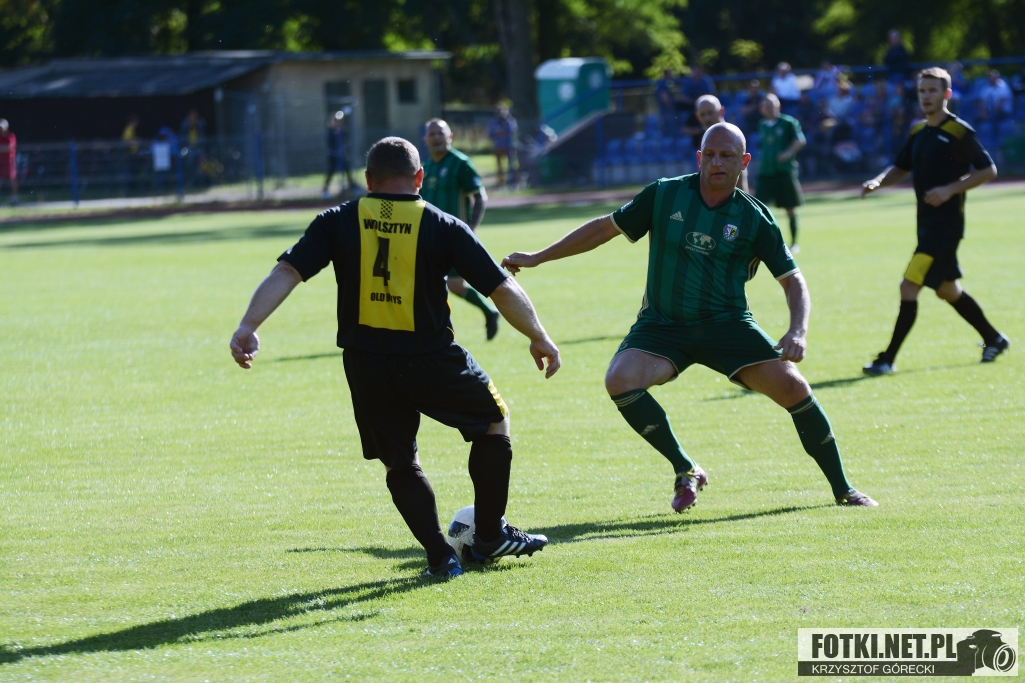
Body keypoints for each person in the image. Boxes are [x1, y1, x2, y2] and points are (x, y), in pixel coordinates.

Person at [502, 122, 878, 512]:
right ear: (699, 158)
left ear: (744, 161)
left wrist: (797, 330)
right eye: (710, 155)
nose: (717, 163)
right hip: (662, 326)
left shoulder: (755, 217)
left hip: (727, 326)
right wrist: (538, 257)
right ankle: (686, 468)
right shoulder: (664, 194)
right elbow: (602, 229)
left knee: (794, 388)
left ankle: (844, 489)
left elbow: (792, 280)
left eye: (727, 156)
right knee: (619, 379)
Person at [229, 137, 560, 578]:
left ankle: (440, 557)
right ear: (419, 177)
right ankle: (487, 536)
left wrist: (248, 325)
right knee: (493, 423)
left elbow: (287, 270)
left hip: (366, 364)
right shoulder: (443, 224)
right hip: (432, 358)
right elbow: (500, 287)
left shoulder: (337, 220)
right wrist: (539, 336)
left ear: (369, 180)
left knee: (400, 462)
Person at [861, 67, 1008, 374]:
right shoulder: (918, 131)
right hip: (926, 224)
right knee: (946, 290)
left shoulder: (959, 131)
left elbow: (987, 170)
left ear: (947, 94)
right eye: (922, 91)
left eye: (932, 91)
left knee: (908, 285)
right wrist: (877, 182)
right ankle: (994, 338)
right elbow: (900, 168)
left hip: (946, 226)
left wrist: (949, 189)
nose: (926, 96)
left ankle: (887, 359)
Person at [421, 118, 501, 340]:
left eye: (441, 133)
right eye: (432, 134)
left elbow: (479, 196)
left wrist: (472, 227)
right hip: (430, 238)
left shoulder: (460, 163)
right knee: (434, 286)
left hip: (454, 239)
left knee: (453, 285)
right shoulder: (426, 168)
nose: (437, 138)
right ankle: (437, 332)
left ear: (450, 137)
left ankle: (487, 313)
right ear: (425, 139)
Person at [757, 94, 806, 252]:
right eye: (766, 106)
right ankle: (762, 243)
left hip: (784, 172)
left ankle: (794, 243)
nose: (769, 109)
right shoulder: (762, 125)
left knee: (790, 208)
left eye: (772, 106)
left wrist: (787, 153)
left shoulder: (788, 122)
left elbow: (800, 140)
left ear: (778, 106)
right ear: (762, 109)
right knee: (757, 209)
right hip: (766, 173)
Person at [683, 94, 749, 192]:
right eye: (703, 114)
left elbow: (740, 174)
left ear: (721, 111)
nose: (707, 118)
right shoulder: (705, 137)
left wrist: (741, 198)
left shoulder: (731, 137)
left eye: (710, 113)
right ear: (697, 117)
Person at [323, 111, 358, 198]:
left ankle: (353, 187)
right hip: (333, 156)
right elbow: (331, 142)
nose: (338, 123)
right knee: (331, 172)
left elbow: (346, 138)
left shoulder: (342, 131)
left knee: (347, 170)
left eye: (339, 121)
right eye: (336, 121)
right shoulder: (330, 132)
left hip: (341, 156)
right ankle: (325, 191)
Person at [487, 105, 518, 188]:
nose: (502, 113)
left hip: (510, 146)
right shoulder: (494, 122)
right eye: (500, 112)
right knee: (499, 166)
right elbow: (491, 133)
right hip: (498, 146)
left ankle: (513, 182)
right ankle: (501, 183)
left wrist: (501, 131)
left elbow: (512, 131)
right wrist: (499, 132)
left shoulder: (511, 120)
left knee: (512, 165)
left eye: (504, 111)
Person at [655, 70, 682, 136]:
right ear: (666, 74)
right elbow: (665, 99)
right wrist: (672, 107)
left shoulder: (666, 83)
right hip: (667, 111)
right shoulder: (663, 84)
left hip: (666, 111)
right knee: (669, 131)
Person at [0, 119, 18, 206]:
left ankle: (14, 199)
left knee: (12, 180)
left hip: (9, 162)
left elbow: (9, 148)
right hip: (0, 162)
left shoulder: (11, 136)